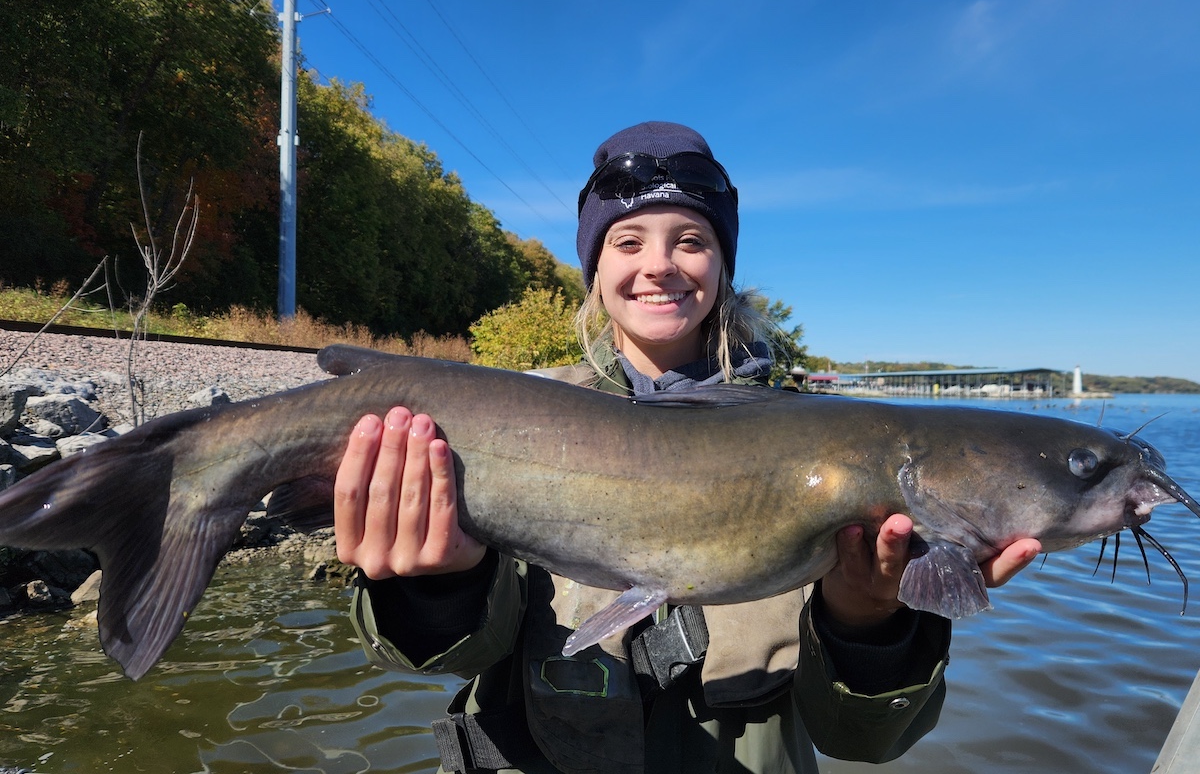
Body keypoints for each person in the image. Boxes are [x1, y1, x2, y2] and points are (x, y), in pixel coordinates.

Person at [334, 121, 1041, 774]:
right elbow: (442, 658)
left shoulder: (833, 440)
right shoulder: (506, 415)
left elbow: (864, 740)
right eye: (629, 241)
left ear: (722, 265)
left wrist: (871, 623)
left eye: (692, 240)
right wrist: (436, 586)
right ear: (594, 266)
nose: (661, 265)